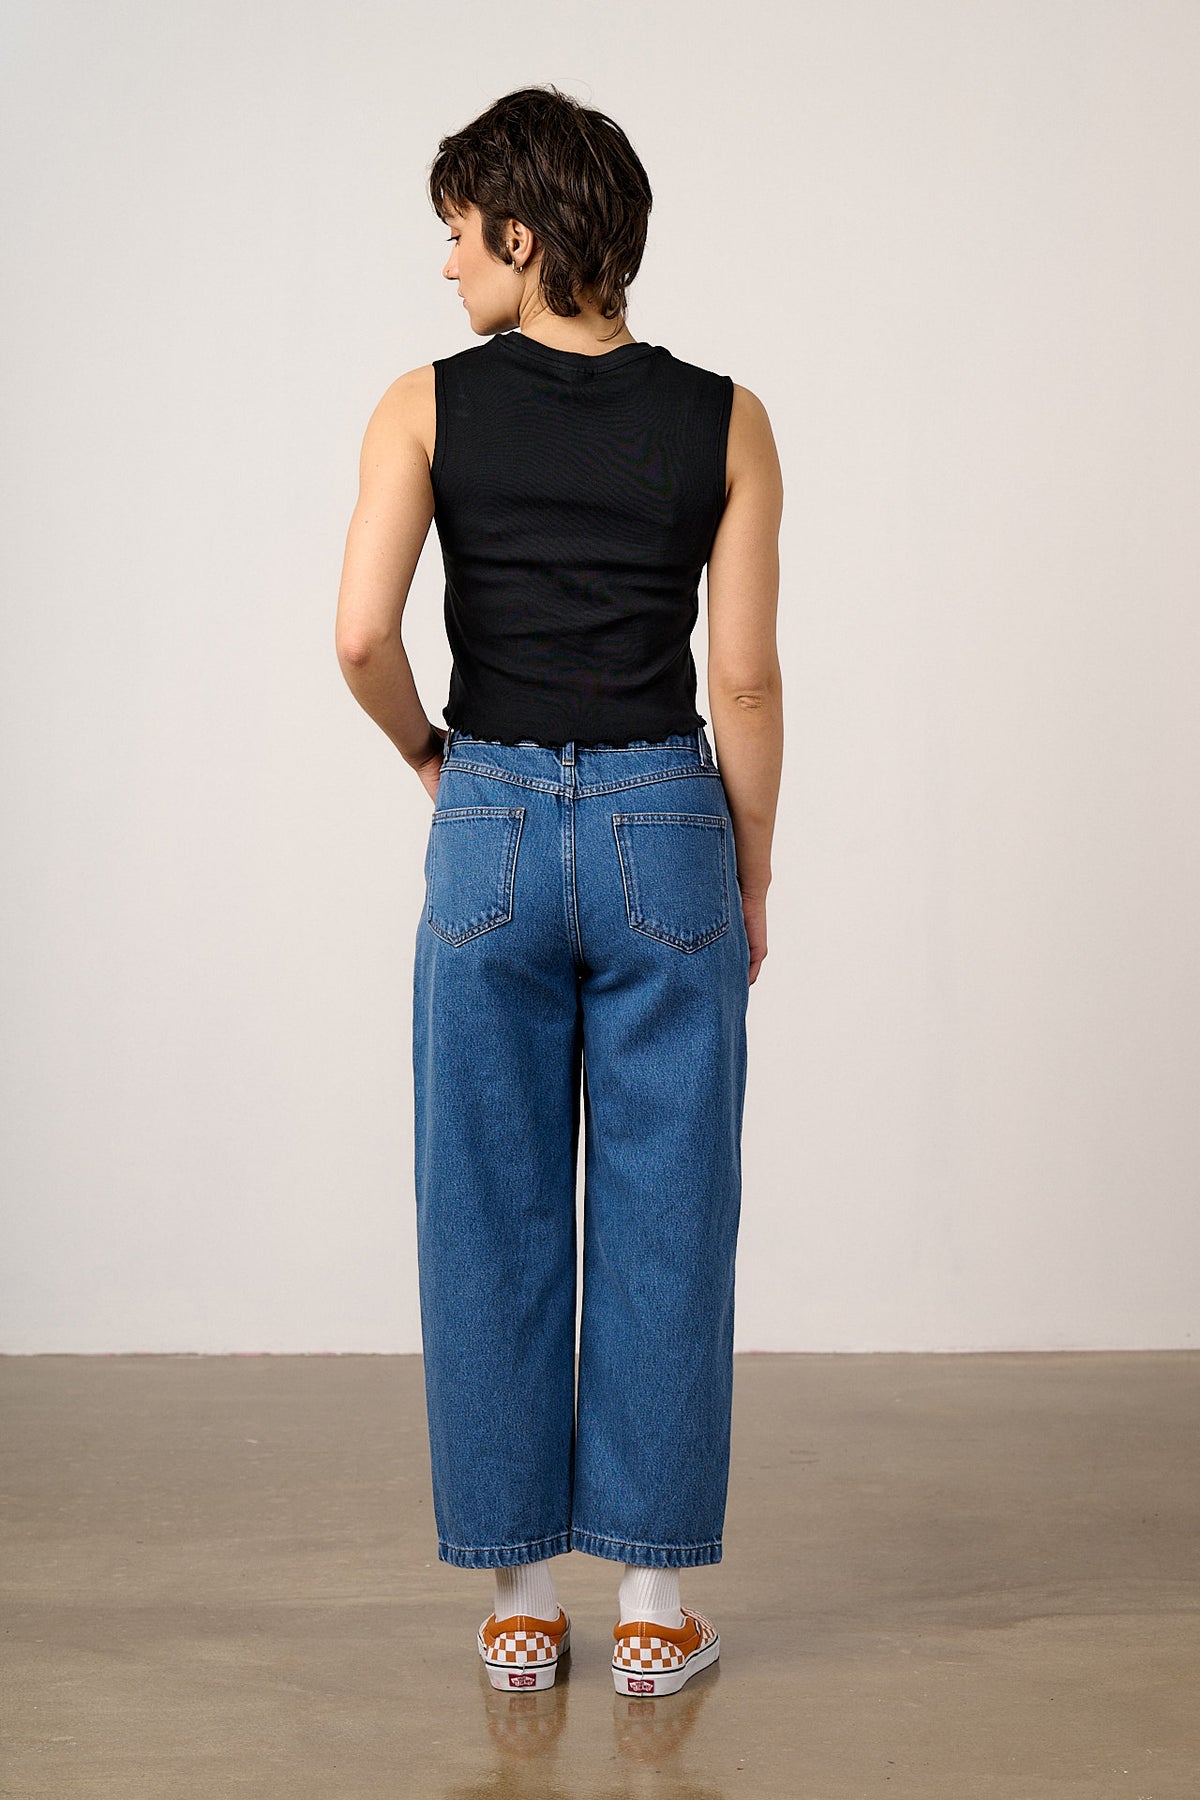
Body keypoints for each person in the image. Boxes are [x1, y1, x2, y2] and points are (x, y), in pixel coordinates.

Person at [335, 84, 783, 1699]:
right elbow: (744, 681)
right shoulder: (729, 419)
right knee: (670, 1212)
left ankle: (522, 1607)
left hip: (494, 826)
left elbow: (361, 636)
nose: (449, 265)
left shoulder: (423, 407)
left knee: (489, 1208)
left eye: (461, 234)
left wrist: (434, 760)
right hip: (667, 823)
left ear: (523, 235)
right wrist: (747, 862)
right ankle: (655, 1610)